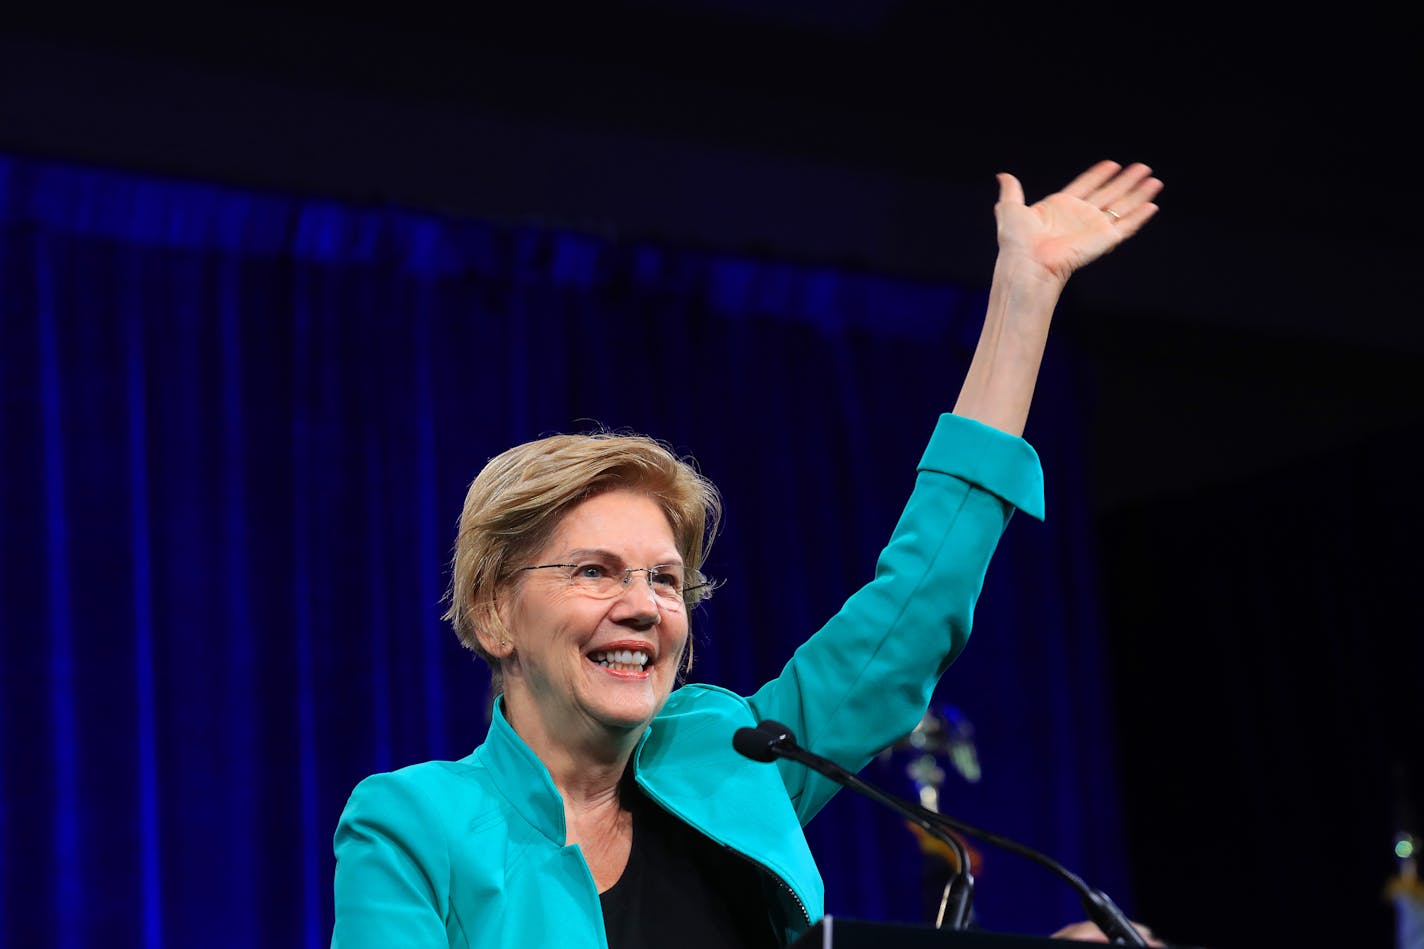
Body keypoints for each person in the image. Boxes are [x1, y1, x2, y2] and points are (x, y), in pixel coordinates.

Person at [331, 160, 1164, 948]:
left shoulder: (728, 758)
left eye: (664, 578)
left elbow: (909, 616)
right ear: (492, 611)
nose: (642, 605)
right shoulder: (413, 822)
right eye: (595, 571)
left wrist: (1024, 295)